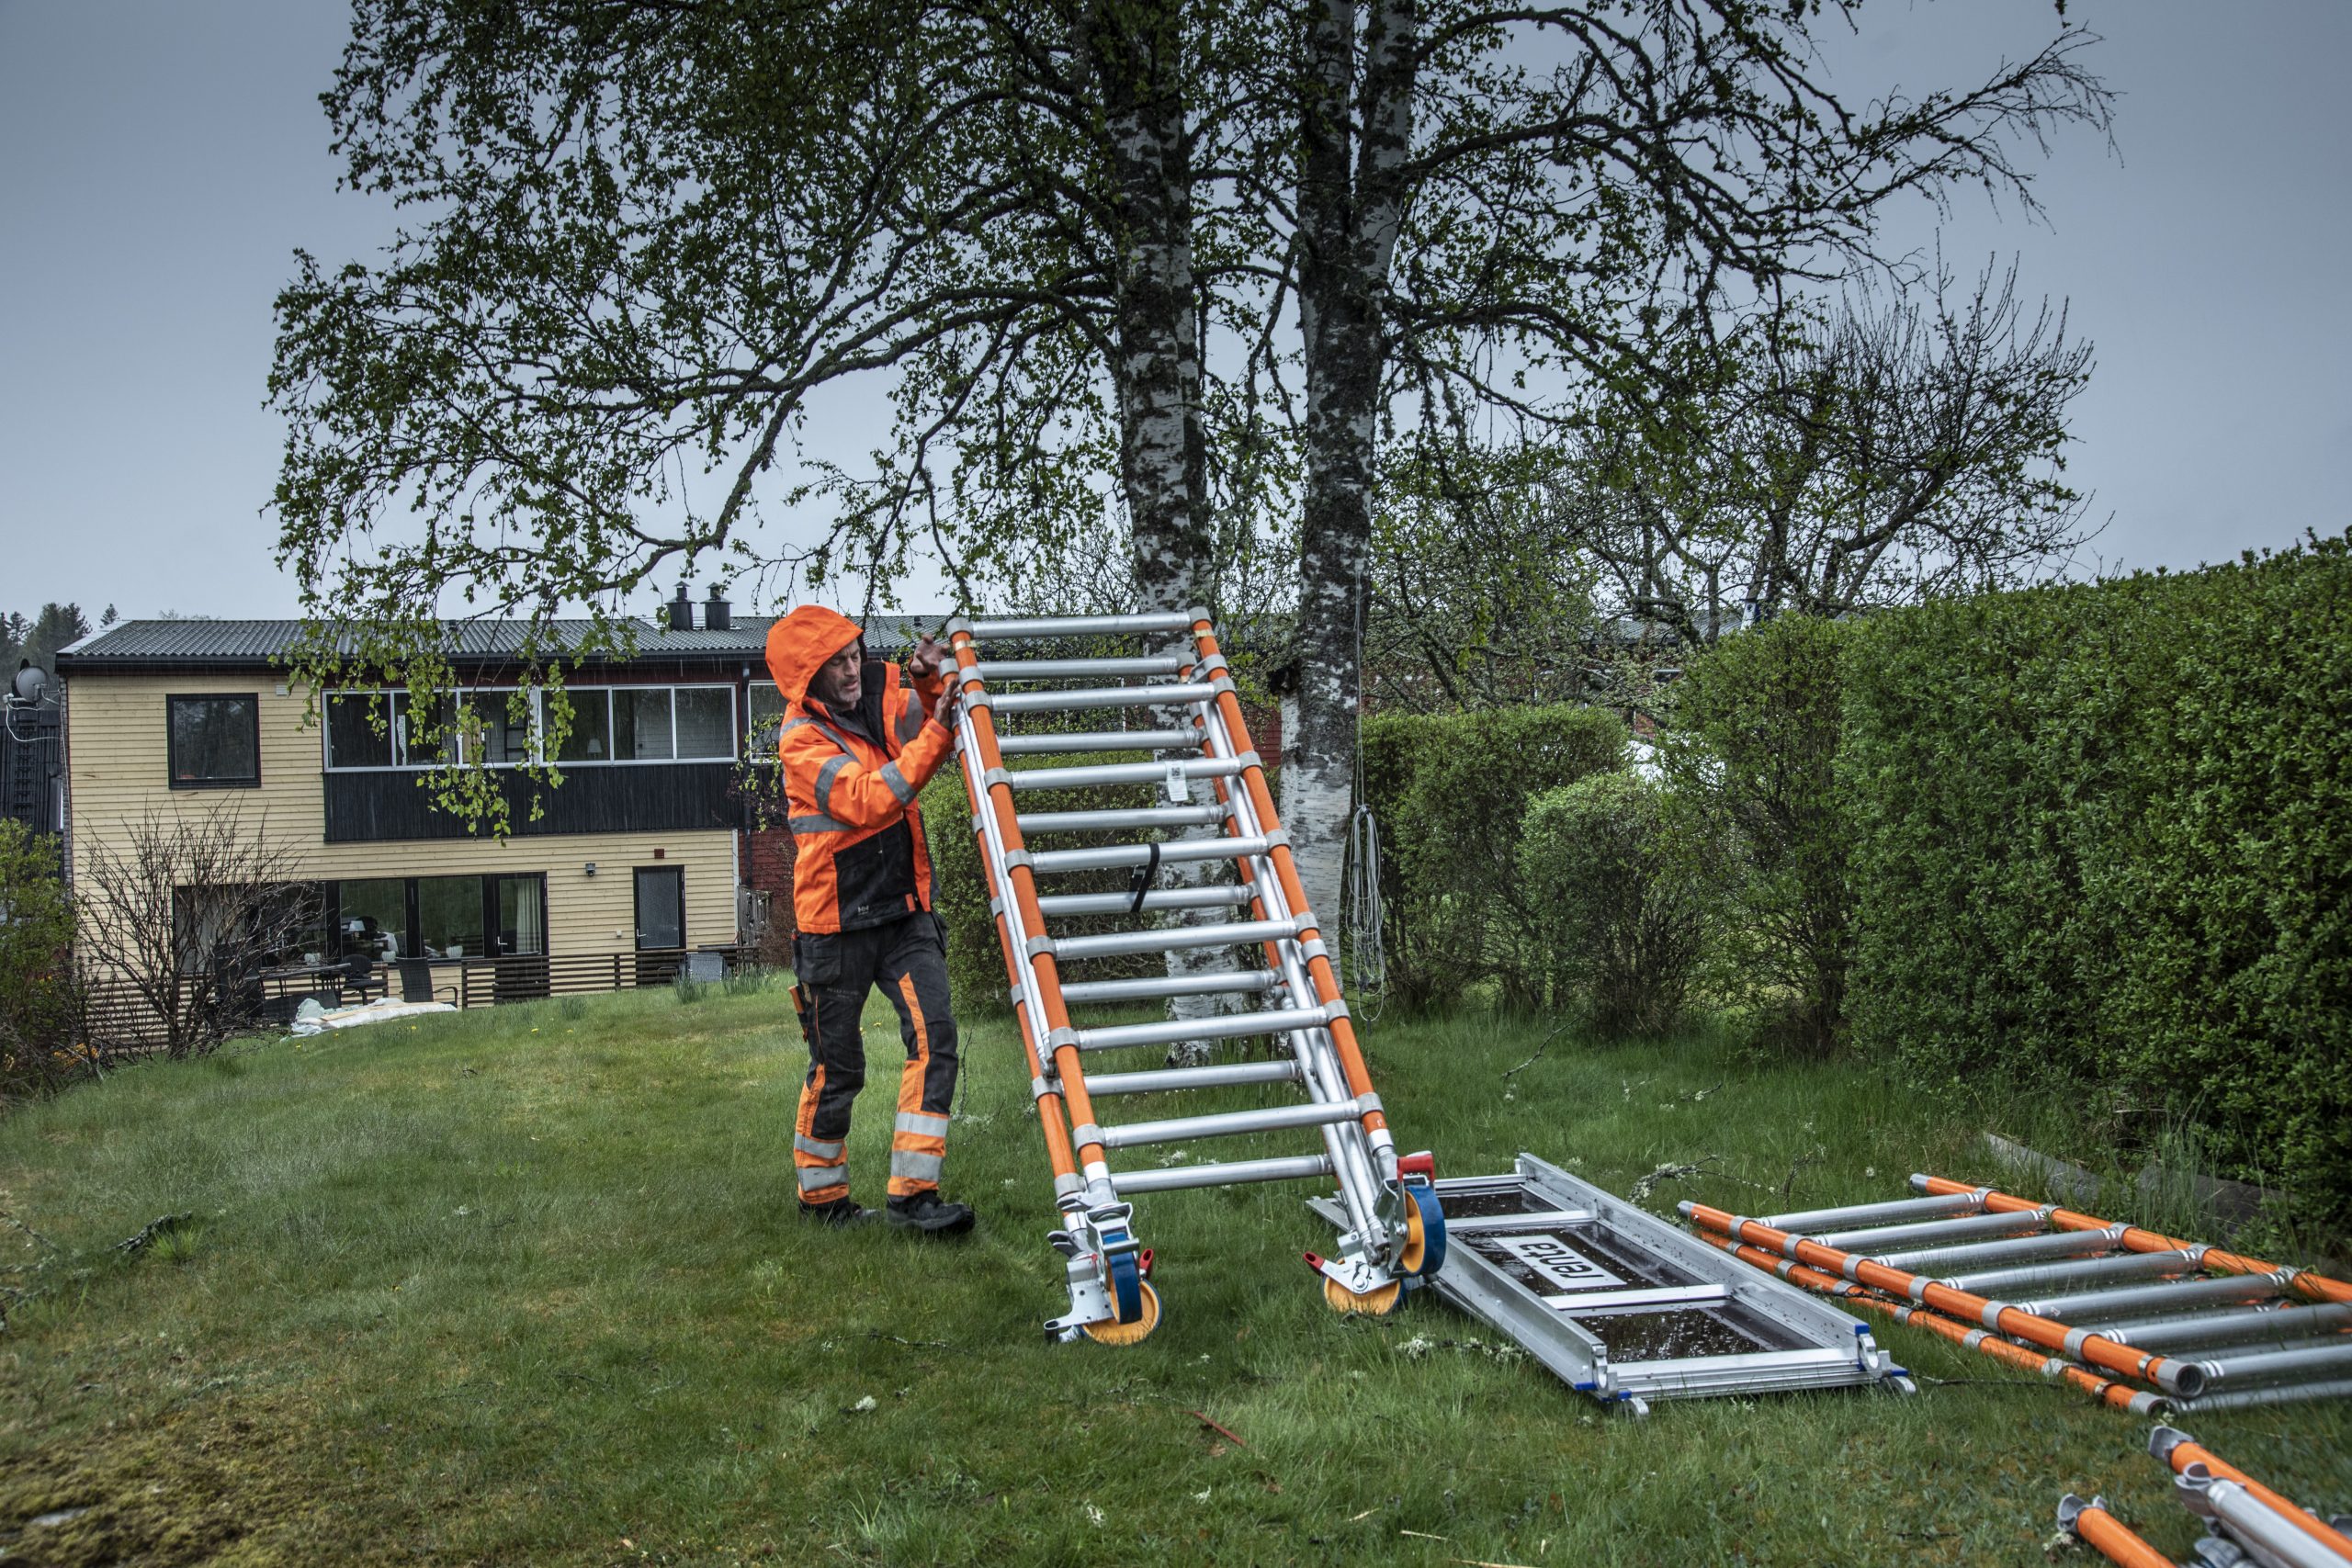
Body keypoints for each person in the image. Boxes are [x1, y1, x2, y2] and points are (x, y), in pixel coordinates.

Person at [764, 606, 973, 1235]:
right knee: (839, 1066)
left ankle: (915, 1195)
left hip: (904, 908)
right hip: (835, 922)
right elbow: (867, 799)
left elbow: (920, 719)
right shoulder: (801, 739)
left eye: (855, 655)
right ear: (810, 678)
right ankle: (823, 1200)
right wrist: (935, 732)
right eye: (838, 664)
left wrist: (930, 681)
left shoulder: (880, 687)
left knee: (936, 1036)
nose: (854, 671)